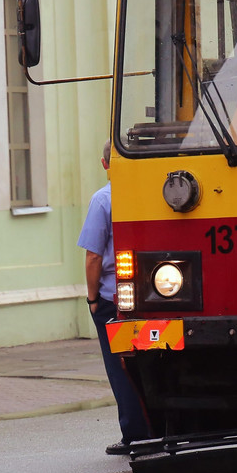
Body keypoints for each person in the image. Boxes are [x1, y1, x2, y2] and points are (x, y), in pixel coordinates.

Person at [77, 140, 152, 455]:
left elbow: (94, 256)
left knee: (119, 366)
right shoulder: (148, 193)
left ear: (105, 163)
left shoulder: (102, 199)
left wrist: (93, 299)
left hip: (111, 298)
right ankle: (159, 428)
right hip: (150, 295)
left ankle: (135, 434)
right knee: (150, 363)